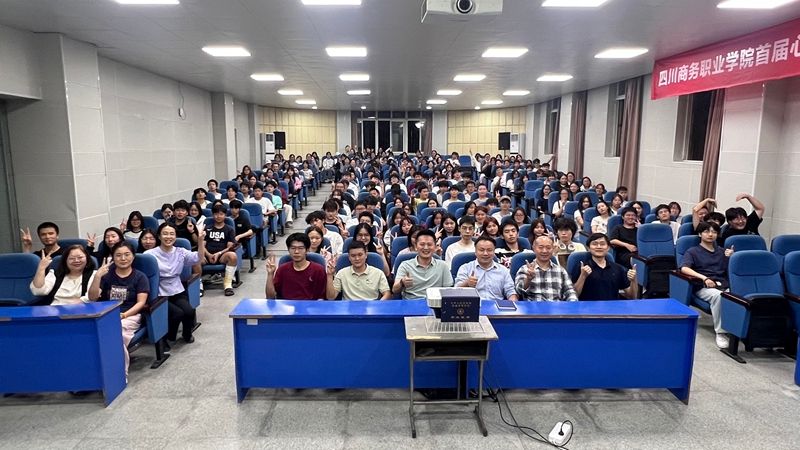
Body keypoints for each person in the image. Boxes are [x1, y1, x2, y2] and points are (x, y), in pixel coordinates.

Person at [88, 241, 149, 377]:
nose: (123, 258)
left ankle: (119, 374)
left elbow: (141, 303)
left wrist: (124, 315)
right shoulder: (106, 276)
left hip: (129, 315)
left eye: (127, 254)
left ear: (133, 256)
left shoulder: (140, 277)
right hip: (105, 314)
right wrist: (97, 276)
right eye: (118, 255)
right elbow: (92, 298)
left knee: (115, 333)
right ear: (113, 257)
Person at [146, 222, 205, 346]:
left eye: (172, 234)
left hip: (176, 289)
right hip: (159, 292)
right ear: (159, 236)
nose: (169, 237)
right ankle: (168, 338)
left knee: (189, 311)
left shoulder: (180, 252)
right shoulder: (150, 255)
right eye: (165, 234)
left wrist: (200, 241)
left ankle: (187, 335)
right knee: (177, 314)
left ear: (175, 236)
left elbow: (198, 258)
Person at [680, 222, 735, 349]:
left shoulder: (722, 251)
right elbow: (684, 268)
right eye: (706, 231)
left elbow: (732, 271)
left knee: (737, 296)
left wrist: (732, 257)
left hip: (723, 284)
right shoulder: (693, 251)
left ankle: (736, 330)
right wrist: (704, 278)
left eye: (714, 232)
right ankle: (721, 332)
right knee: (719, 296)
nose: (710, 234)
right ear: (700, 234)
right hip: (703, 286)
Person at [570, 233, 637, 300]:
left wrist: (633, 280)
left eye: (602, 244)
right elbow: (574, 295)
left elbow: (632, 296)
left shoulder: (618, 268)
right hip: (588, 306)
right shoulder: (581, 268)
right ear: (588, 248)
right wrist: (583, 276)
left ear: (608, 248)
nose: (599, 247)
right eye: (594, 244)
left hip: (612, 306)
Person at [393, 229, 453, 300]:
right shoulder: (405, 265)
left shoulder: (443, 265)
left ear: (435, 246)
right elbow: (394, 290)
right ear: (416, 246)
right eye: (422, 244)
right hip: (411, 303)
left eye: (429, 244)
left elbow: (449, 291)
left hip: (435, 302)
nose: (426, 248)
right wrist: (402, 282)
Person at [265, 233, 328, 300]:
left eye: (300, 248)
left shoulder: (318, 270)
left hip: (311, 305)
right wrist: (270, 274)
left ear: (307, 250)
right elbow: (270, 297)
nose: (296, 252)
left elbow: (323, 297)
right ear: (288, 250)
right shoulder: (282, 269)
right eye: (293, 248)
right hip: (287, 305)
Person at [515, 235, 578, 302]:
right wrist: (528, 279)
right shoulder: (525, 269)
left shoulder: (561, 271)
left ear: (553, 249)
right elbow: (518, 291)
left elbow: (570, 292)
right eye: (540, 247)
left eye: (548, 248)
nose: (544, 251)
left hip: (556, 306)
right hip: (534, 306)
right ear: (534, 248)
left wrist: (572, 303)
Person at [455, 235, 518, 300]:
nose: (485, 253)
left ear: (494, 252)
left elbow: (511, 291)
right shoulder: (465, 268)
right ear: (475, 252)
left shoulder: (503, 270)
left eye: (489, 250)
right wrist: (467, 283)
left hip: (496, 304)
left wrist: (513, 302)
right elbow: (456, 291)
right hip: (473, 304)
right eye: (481, 250)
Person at [30, 244, 97, 305]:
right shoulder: (55, 274)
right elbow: (38, 291)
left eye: (80, 257)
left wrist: (79, 302)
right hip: (54, 309)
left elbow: (91, 297)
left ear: (87, 259)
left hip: (80, 309)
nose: (76, 260)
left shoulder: (93, 274)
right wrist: (41, 268)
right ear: (65, 261)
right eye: (71, 258)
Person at [326, 241, 391, 301]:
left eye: (360, 255)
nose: (357, 258)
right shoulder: (341, 273)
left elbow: (387, 294)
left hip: (372, 307)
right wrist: (329, 275)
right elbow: (331, 297)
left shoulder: (378, 273)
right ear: (349, 257)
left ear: (366, 255)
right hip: (348, 307)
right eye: (353, 256)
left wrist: (378, 305)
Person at [203, 204, 238, 296]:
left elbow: (229, 247)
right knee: (196, 256)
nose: (218, 216)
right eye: (216, 214)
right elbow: (202, 245)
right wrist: (209, 255)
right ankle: (199, 286)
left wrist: (218, 253)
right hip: (207, 256)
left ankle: (228, 285)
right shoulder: (207, 228)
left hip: (222, 255)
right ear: (213, 215)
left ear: (225, 215)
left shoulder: (229, 229)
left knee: (232, 256)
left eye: (221, 214)